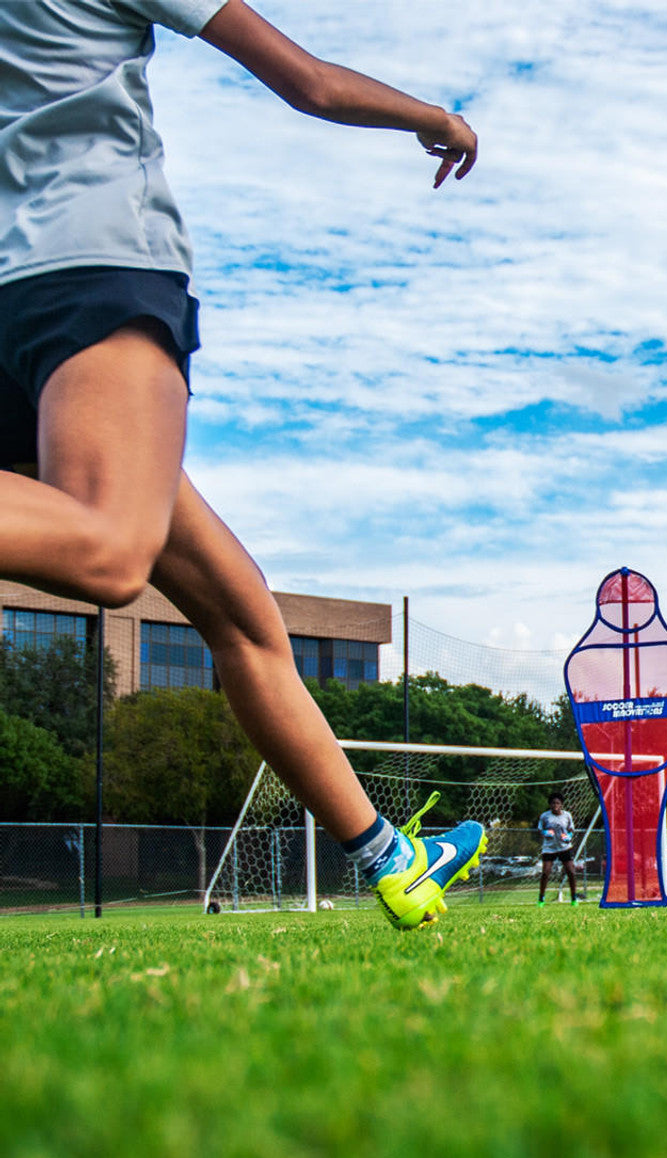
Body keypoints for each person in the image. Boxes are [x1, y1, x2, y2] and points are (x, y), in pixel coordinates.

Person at [0, 0, 480, 929]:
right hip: (92, 268)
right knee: (110, 551)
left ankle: (391, 858)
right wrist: (435, 117)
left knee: (241, 611)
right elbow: (312, 82)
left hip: (12, 302)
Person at [536, 793, 578, 905]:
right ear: (550, 804)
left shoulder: (567, 815)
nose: (555, 805)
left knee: (571, 872)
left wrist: (568, 836)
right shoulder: (545, 816)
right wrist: (545, 832)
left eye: (558, 803)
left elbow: (571, 829)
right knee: (546, 872)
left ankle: (574, 898)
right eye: (553, 803)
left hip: (564, 848)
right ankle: (541, 899)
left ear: (561, 804)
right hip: (549, 848)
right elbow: (540, 829)